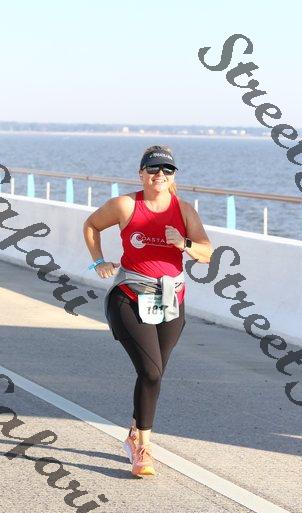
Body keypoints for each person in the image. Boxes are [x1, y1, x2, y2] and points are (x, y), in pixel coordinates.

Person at [83, 145, 212, 477]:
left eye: (167, 169)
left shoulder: (184, 211)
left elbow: (207, 253)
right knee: (151, 372)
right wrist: (99, 261)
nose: (160, 175)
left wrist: (182, 243)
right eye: (153, 169)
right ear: (141, 173)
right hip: (129, 296)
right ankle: (143, 449)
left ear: (173, 175)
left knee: (153, 374)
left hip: (170, 300)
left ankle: (133, 433)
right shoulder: (126, 205)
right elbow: (91, 225)